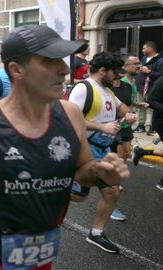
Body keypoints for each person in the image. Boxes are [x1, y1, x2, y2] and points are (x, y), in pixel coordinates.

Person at [0, 25, 130, 269]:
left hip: (44, 247)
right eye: (49, 61)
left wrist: (100, 172)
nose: (65, 70)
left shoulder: (71, 114)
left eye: (62, 60)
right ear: (16, 70)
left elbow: (82, 169)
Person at [68, 52, 137, 253]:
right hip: (84, 151)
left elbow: (121, 107)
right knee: (77, 197)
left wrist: (129, 113)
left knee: (112, 191)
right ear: (103, 70)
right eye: (115, 73)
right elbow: (70, 118)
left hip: (103, 152)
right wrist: (102, 127)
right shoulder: (83, 88)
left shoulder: (107, 91)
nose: (118, 77)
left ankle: (96, 233)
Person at [134, 41, 163, 135]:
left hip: (152, 87)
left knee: (152, 107)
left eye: (144, 48)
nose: (142, 50)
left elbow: (161, 75)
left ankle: (152, 127)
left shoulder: (160, 60)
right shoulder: (144, 58)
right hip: (141, 86)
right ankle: (141, 125)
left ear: (150, 49)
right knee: (141, 106)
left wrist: (149, 72)